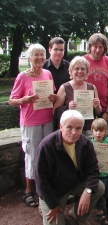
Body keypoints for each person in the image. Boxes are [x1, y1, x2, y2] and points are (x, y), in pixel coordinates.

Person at [35, 110, 104, 225]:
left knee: (99, 187)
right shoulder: (46, 145)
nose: (74, 132)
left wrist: (87, 191)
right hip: (55, 190)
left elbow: (92, 170)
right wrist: (53, 204)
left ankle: (77, 216)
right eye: (69, 127)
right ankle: (46, 207)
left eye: (78, 128)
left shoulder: (86, 143)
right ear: (61, 126)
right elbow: (40, 179)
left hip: (75, 182)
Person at [9, 43, 57, 208]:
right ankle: (28, 191)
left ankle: (44, 188)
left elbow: (53, 94)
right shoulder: (23, 76)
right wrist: (25, 100)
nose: (39, 58)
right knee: (32, 155)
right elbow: (11, 100)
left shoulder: (48, 73)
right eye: (36, 54)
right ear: (29, 58)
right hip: (30, 122)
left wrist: (52, 97)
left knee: (48, 154)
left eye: (42, 54)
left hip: (47, 119)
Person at [53, 56, 102, 137]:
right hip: (72, 130)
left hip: (89, 130)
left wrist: (97, 106)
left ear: (87, 72)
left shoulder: (92, 87)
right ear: (71, 71)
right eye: (76, 69)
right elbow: (54, 111)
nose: (80, 71)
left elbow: (98, 112)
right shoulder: (64, 87)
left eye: (83, 69)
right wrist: (68, 108)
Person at [84, 33, 108, 125]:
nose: (97, 50)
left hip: (104, 110)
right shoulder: (82, 61)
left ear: (105, 48)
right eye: (95, 46)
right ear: (90, 47)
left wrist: (107, 112)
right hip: (85, 108)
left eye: (101, 47)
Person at [91, 118, 108, 225]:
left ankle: (99, 207)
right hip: (95, 174)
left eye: (101, 131)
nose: (98, 133)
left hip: (106, 173)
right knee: (101, 192)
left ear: (106, 132)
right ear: (92, 131)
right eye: (96, 131)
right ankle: (100, 212)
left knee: (107, 192)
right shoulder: (89, 143)